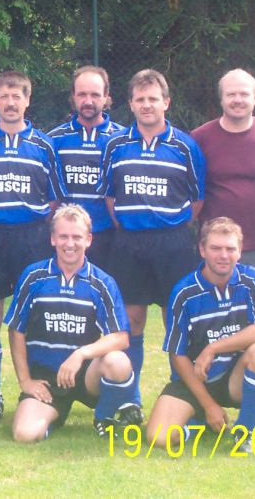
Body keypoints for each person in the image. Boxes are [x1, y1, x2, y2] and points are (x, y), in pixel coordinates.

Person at [96, 68, 206, 423]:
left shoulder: (185, 145)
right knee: (132, 320)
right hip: (128, 241)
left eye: (153, 99)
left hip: (173, 242)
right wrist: (132, 224)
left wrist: (170, 224)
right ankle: (131, 400)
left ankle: (182, 394)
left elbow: (197, 199)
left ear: (166, 103)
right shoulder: (115, 145)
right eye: (140, 99)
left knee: (178, 318)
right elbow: (110, 197)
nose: (147, 105)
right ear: (130, 104)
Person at [0, 70, 66, 424]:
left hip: (32, 237)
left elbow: (54, 199)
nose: (10, 102)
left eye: (17, 96)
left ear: (27, 100)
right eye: (4, 96)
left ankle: (35, 388)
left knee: (34, 316)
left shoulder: (44, 145)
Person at [146, 217, 255, 451]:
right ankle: (198, 423)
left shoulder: (252, 280)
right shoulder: (184, 291)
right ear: (202, 250)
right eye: (215, 248)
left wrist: (214, 348)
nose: (223, 255)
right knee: (158, 438)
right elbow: (178, 355)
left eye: (230, 249)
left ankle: (243, 433)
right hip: (197, 379)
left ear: (240, 251)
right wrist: (208, 405)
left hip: (235, 377)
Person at [6, 204, 135, 442]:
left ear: (88, 240)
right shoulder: (34, 276)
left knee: (118, 361)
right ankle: (53, 414)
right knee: (24, 435)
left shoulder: (103, 282)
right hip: (48, 377)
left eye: (77, 237)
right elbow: (16, 330)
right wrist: (25, 380)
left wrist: (81, 355)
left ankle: (104, 416)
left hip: (86, 374)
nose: (70, 243)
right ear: (53, 239)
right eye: (63, 236)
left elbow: (121, 337)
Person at [191, 69, 255, 303]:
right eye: (231, 94)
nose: (237, 100)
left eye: (244, 94)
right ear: (221, 98)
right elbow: (190, 192)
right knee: (211, 310)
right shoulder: (199, 138)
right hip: (214, 247)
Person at [47, 66, 123, 271]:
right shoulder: (54, 139)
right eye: (82, 94)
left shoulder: (123, 140)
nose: (88, 101)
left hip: (109, 235)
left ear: (106, 96)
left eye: (95, 95)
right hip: (67, 238)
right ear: (73, 96)